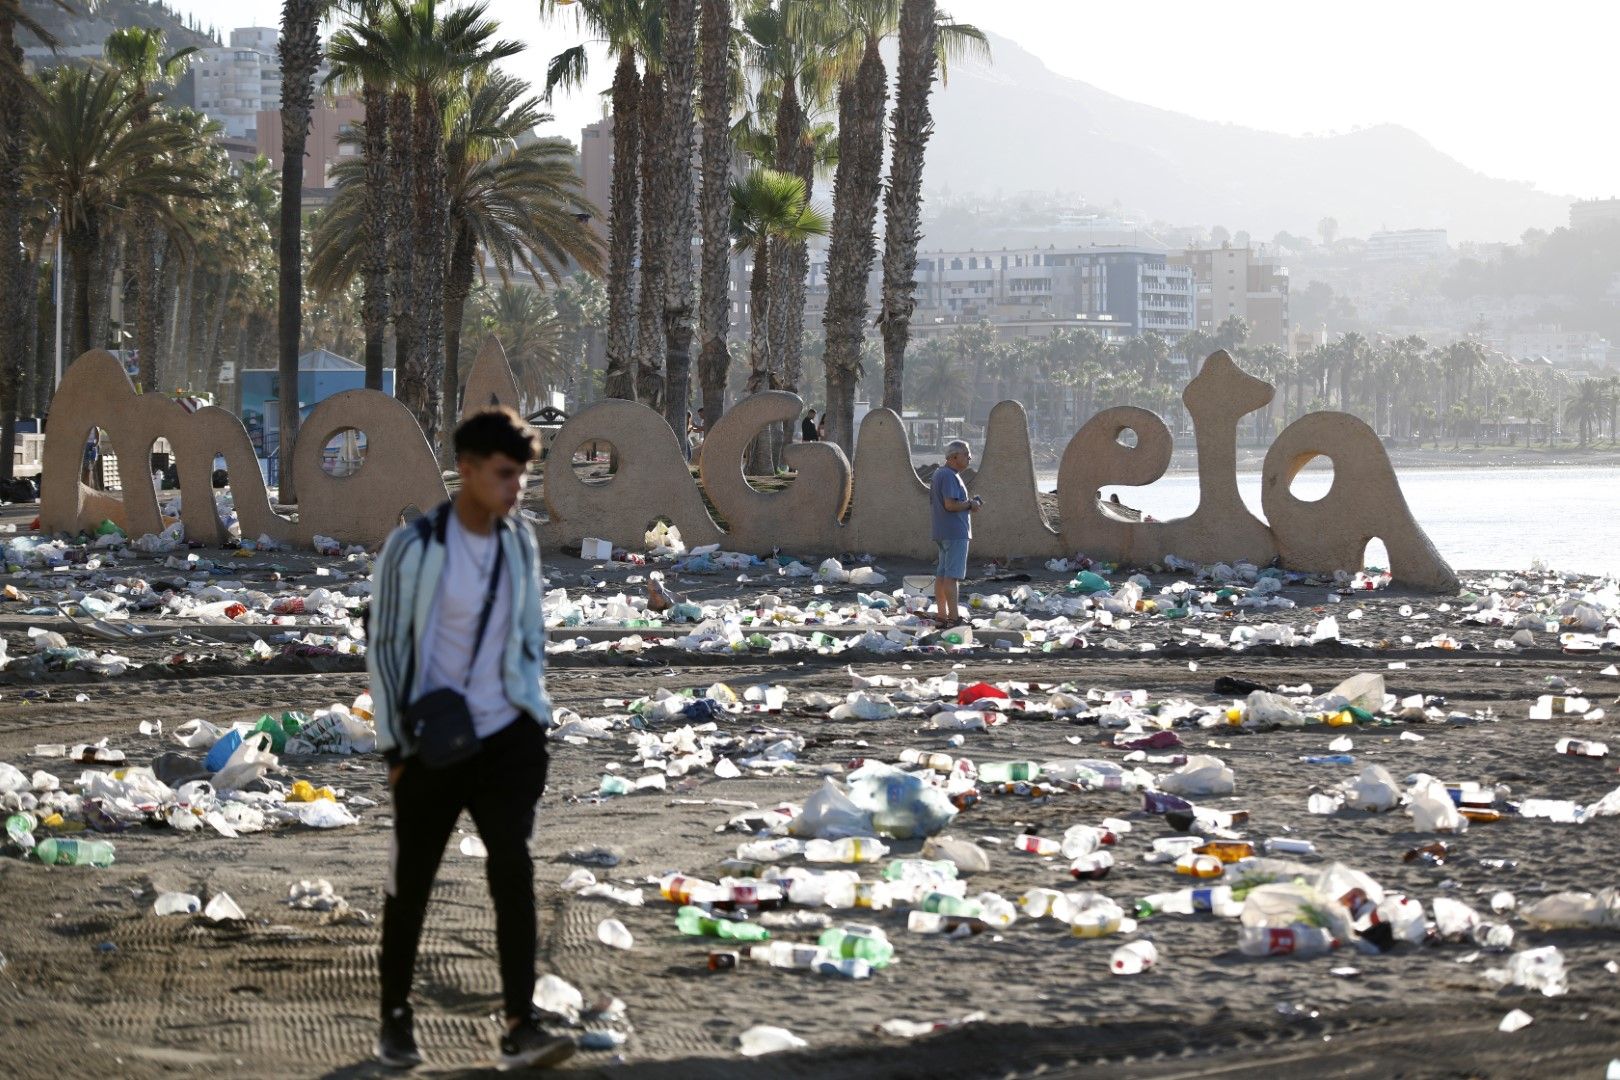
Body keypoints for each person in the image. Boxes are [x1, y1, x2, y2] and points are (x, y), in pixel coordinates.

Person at [366, 407, 572, 1071]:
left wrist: (533, 717)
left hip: (507, 736)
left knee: (513, 873)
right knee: (413, 882)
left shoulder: (517, 542)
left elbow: (529, 632)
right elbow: (387, 647)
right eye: (505, 475)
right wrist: (396, 748)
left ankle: (521, 1025)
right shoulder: (416, 547)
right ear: (468, 470)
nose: (516, 489)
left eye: (522, 477)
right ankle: (395, 1020)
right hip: (432, 743)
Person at [929, 439, 981, 625]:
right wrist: (971, 504)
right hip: (955, 532)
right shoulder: (950, 476)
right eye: (966, 454)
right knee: (952, 578)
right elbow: (950, 504)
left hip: (943, 531)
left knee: (942, 576)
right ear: (954, 457)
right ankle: (953, 618)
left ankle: (942, 615)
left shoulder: (939, 474)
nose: (969, 457)